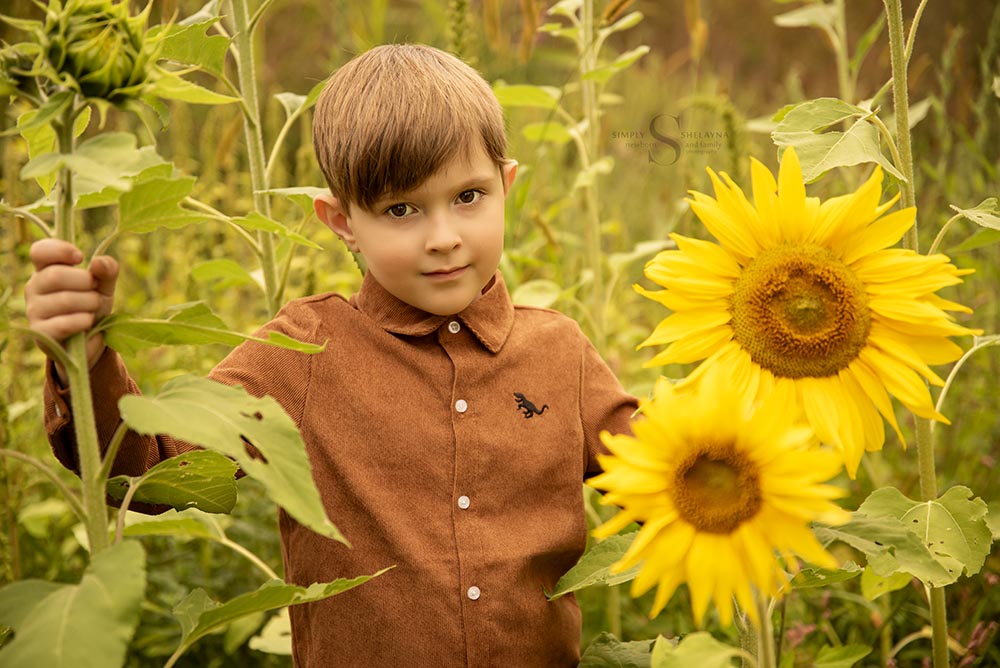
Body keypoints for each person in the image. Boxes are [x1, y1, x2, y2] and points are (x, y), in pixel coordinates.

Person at [25, 44, 638, 667]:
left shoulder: (561, 354)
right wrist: (88, 355)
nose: (444, 237)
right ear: (341, 221)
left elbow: (668, 478)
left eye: (469, 197)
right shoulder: (303, 350)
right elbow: (152, 473)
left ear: (506, 186)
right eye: (401, 209)